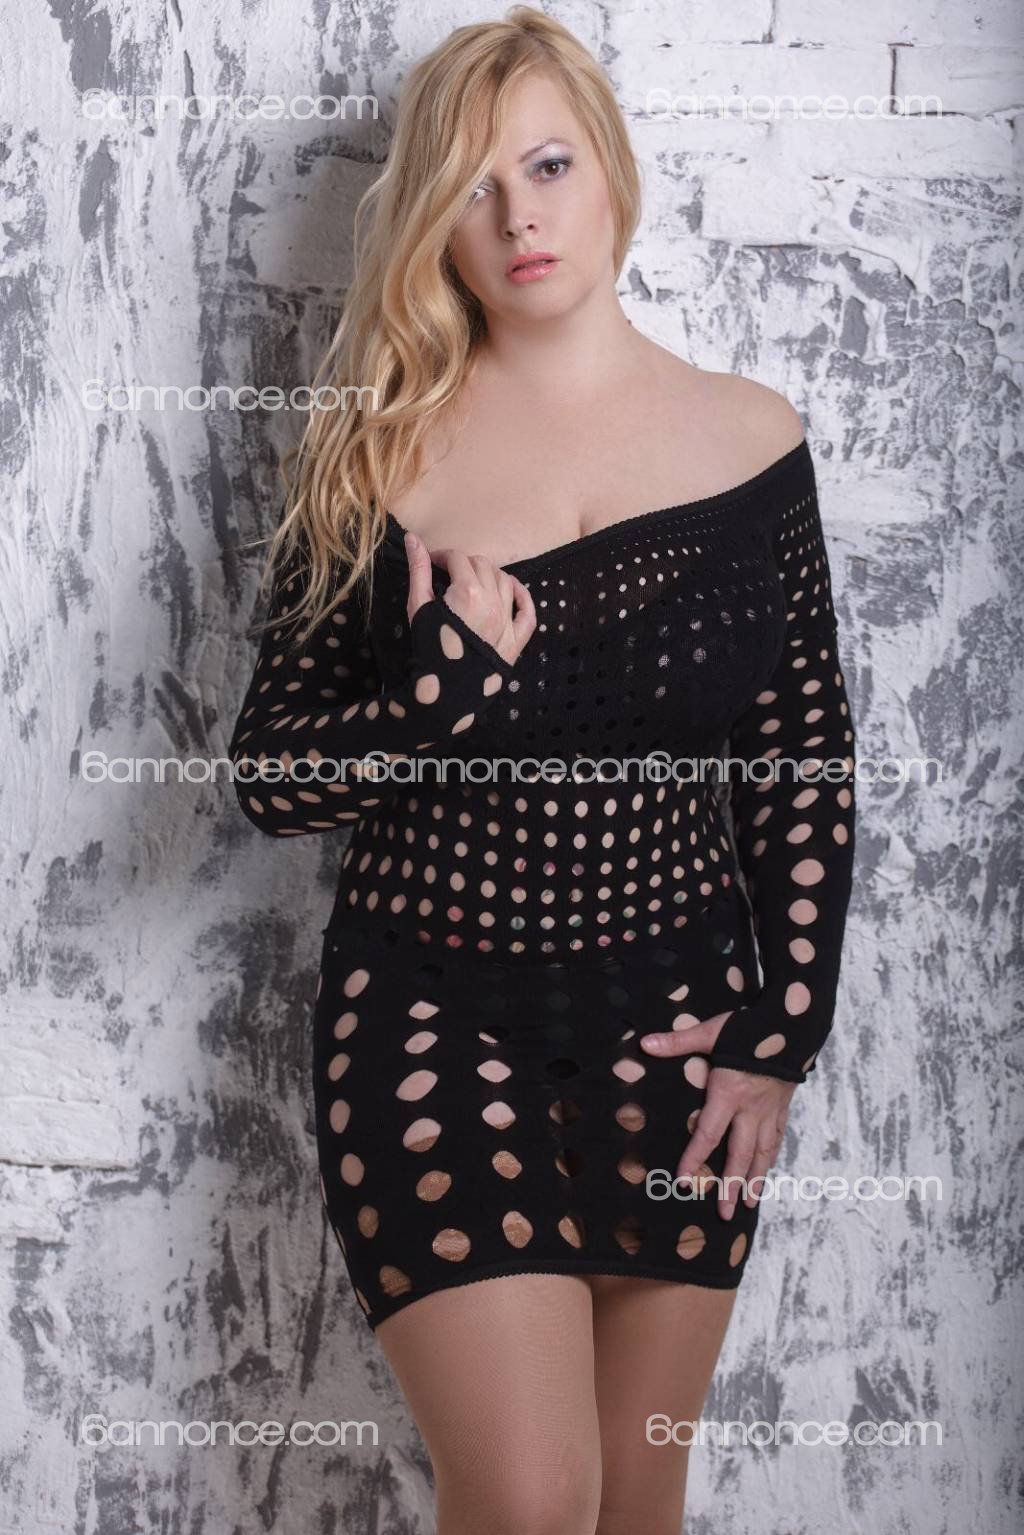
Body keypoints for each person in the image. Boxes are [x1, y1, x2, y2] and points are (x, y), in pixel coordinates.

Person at [227, 9, 857, 1532]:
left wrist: (782, 1031)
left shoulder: (752, 439)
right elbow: (271, 778)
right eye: (471, 185)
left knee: (636, 1505)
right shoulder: (377, 457)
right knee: (529, 1499)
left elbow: (801, 757)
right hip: (432, 1017)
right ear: (430, 223)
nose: (518, 215)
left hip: (681, 1031)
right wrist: (433, 710)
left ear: (611, 172)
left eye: (549, 165)